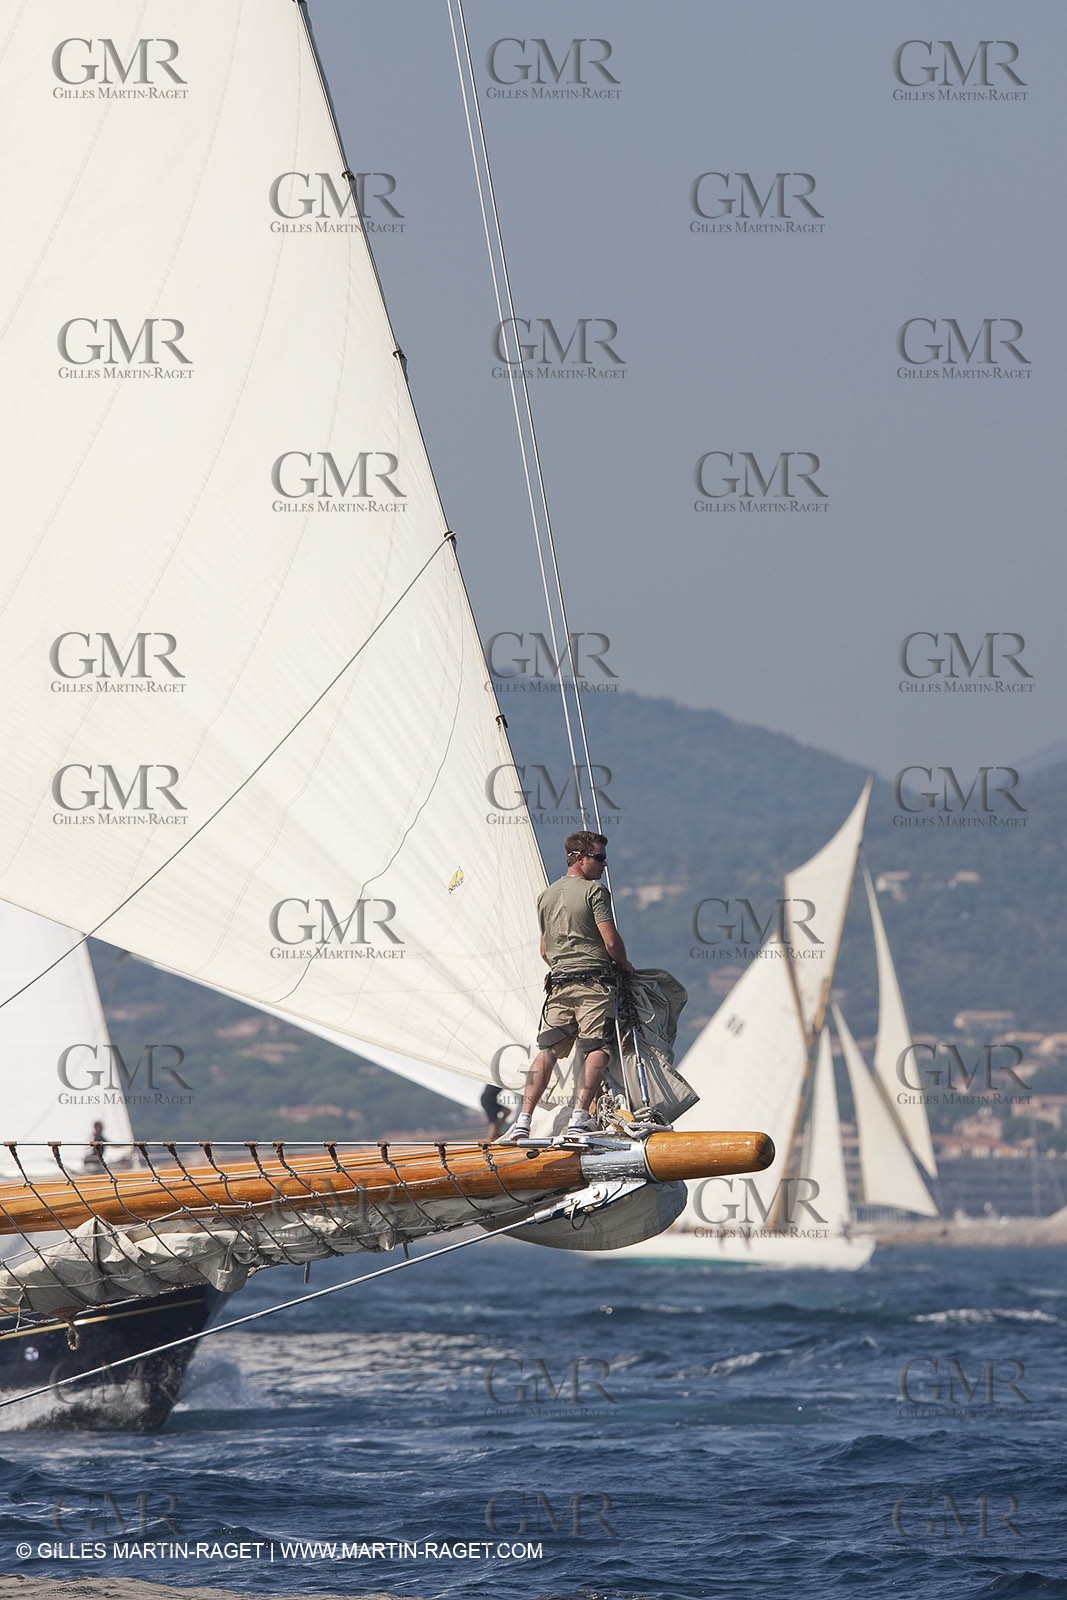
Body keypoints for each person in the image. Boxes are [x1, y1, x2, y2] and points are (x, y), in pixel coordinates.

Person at [498, 830, 634, 1142]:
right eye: (599, 859)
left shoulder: (546, 895)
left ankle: (523, 1119)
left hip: (558, 986)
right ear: (580, 859)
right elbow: (610, 941)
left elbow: (544, 950)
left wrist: (563, 966)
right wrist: (624, 964)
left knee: (547, 1052)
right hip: (594, 985)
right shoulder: (595, 892)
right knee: (597, 1048)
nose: (604, 865)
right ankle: (579, 1117)